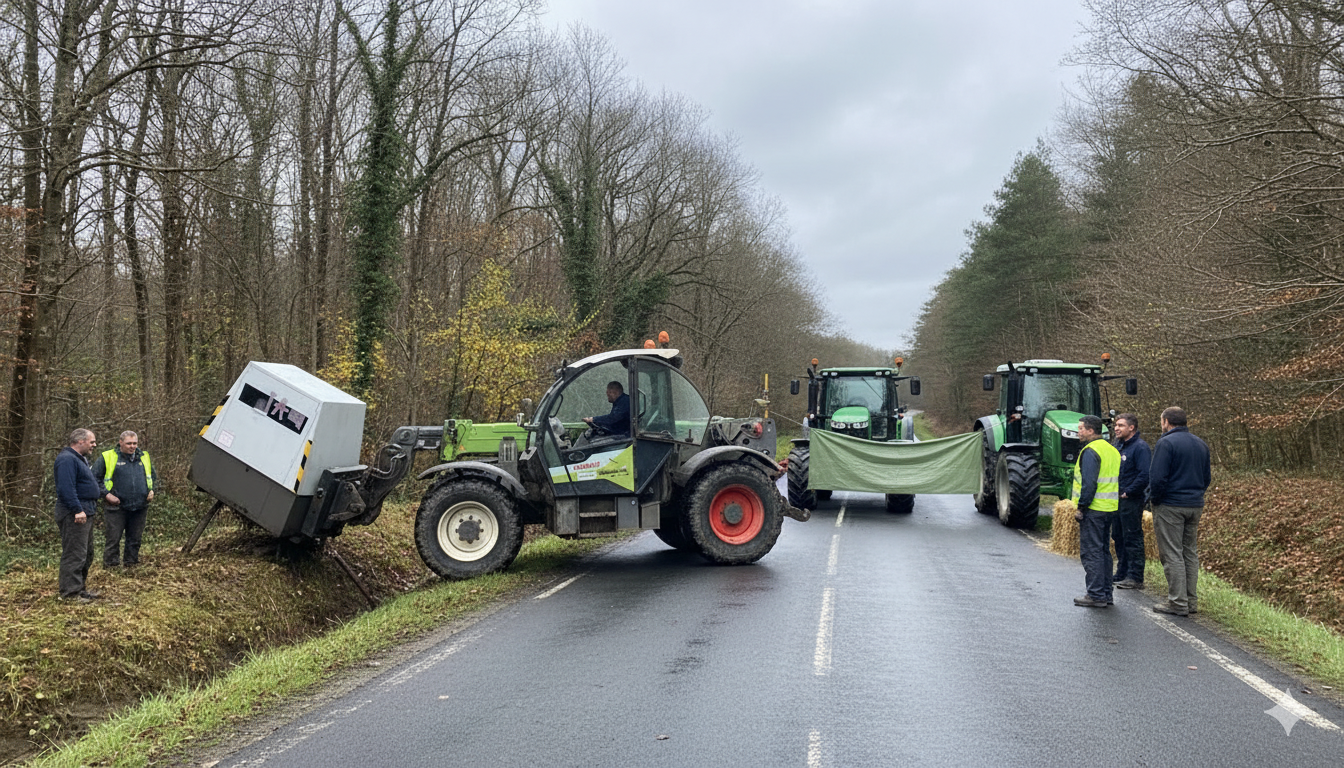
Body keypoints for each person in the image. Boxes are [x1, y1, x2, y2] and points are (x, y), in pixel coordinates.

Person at [1148, 406, 1211, 617]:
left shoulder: (1166, 443)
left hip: (1170, 505)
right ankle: (1191, 601)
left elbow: (1157, 478)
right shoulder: (1200, 444)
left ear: (1166, 421)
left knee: (1172, 553)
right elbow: (1207, 477)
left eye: (1161, 421)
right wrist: (1196, 494)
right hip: (1195, 504)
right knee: (1189, 552)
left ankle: (1177, 602)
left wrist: (1155, 500)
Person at [1072, 415, 1122, 608]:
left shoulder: (1091, 451)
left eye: (1081, 428)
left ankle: (1095, 594)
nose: (1078, 432)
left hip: (1093, 509)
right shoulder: (1112, 450)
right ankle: (1106, 593)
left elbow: (1089, 483)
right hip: (1110, 507)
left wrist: (1081, 507)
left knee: (1092, 552)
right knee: (1103, 551)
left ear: (1091, 430)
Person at [92, 430, 157, 568]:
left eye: (135, 443)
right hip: (116, 507)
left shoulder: (144, 457)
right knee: (113, 538)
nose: (132, 446)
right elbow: (93, 479)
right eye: (129, 443)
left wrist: (152, 490)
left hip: (140, 506)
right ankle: (111, 566)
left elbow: (153, 477)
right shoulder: (108, 457)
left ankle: (131, 564)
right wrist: (106, 494)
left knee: (135, 538)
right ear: (120, 442)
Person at [53, 428, 104, 601]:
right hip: (74, 514)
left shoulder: (79, 459)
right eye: (92, 441)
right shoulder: (66, 459)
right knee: (74, 553)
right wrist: (77, 509)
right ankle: (70, 593)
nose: (94, 445)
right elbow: (65, 489)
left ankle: (80, 588)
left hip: (86, 512)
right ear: (80, 441)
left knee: (86, 553)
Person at [1112, 413, 1151, 589]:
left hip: (1131, 500)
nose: (1116, 428)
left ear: (1131, 427)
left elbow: (1144, 474)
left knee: (1132, 536)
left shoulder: (1140, 448)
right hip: (1117, 499)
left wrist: (1128, 491)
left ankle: (1135, 577)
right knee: (1118, 535)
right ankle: (1122, 572)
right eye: (1116, 425)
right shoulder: (1118, 446)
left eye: (1120, 425)